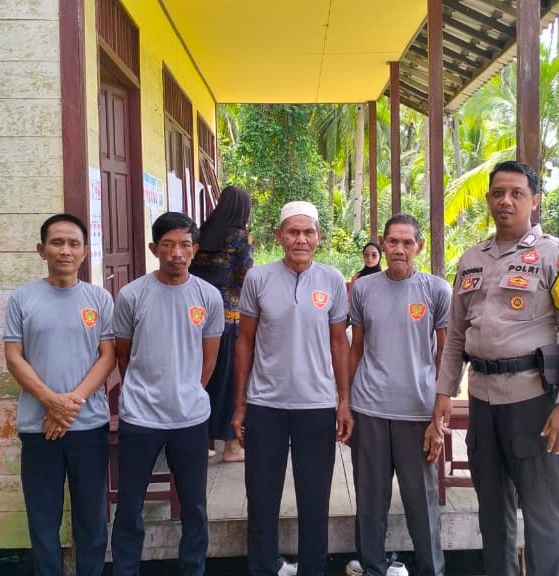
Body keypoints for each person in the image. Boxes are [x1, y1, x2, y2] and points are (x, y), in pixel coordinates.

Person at [431, 161, 559, 576]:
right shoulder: (471, 258)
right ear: (488, 199)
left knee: (541, 512)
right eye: (498, 193)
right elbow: (456, 337)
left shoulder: (555, 255)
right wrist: (444, 392)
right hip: (483, 402)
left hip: (533, 403)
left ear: (534, 201)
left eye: (516, 193)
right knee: (491, 511)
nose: (506, 201)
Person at [232, 200, 352, 576]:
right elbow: (244, 341)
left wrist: (344, 401)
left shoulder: (332, 280)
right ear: (279, 236)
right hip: (265, 404)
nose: (301, 239)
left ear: (318, 237)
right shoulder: (258, 278)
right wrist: (240, 404)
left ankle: (312, 569)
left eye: (308, 232)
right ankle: (262, 568)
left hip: (316, 405)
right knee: (261, 497)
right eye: (293, 232)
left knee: (314, 499)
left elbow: (339, 343)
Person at [110, 212, 224, 576]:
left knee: (194, 507)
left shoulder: (208, 297)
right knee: (130, 505)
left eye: (185, 245)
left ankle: (193, 569)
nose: (177, 253)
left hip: (190, 418)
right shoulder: (132, 295)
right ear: (153, 248)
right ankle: (126, 570)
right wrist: (144, 391)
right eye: (168, 245)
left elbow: (209, 360)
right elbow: (124, 356)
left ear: (195, 250)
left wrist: (187, 390)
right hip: (140, 418)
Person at [4, 213, 116, 576]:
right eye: (56, 243)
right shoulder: (23, 298)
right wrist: (51, 402)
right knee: (43, 520)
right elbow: (14, 357)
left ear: (85, 251)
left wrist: (69, 405)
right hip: (39, 429)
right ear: (42, 250)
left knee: (92, 520)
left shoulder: (99, 299)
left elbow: (108, 356)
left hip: (88, 426)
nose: (65, 250)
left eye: (73, 244)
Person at [347, 214, 451, 576]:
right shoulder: (363, 288)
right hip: (369, 409)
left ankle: (431, 570)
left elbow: (446, 355)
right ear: (383, 244)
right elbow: (356, 348)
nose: (400, 249)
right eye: (393, 242)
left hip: (417, 412)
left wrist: (438, 417)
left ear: (418, 246)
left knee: (422, 503)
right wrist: (344, 402)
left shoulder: (436, 290)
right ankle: (373, 568)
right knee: (370, 500)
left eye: (408, 243)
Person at [190, 186, 255, 462]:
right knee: (230, 381)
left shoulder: (201, 233)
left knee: (204, 379)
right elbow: (246, 279)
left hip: (198, 318)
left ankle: (202, 442)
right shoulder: (241, 238)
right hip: (230, 320)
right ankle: (231, 446)